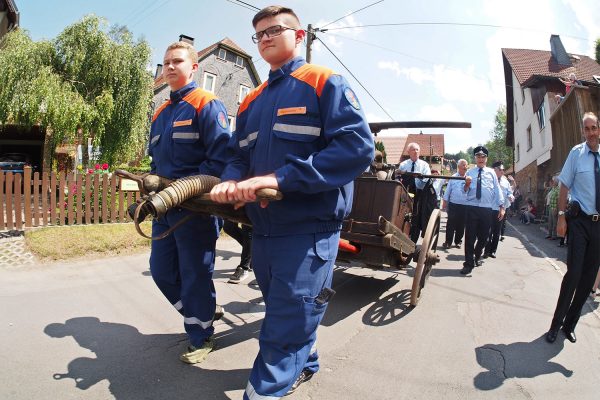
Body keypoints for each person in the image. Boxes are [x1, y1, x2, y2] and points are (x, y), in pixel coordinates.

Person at [209, 5, 374, 398]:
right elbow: (236, 155)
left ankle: (264, 391)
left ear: (299, 37)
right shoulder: (251, 102)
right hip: (263, 230)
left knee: (284, 326)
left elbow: (357, 147)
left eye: (274, 30)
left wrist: (280, 178)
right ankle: (309, 358)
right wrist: (231, 181)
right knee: (287, 309)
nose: (265, 37)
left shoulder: (324, 82)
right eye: (259, 33)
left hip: (308, 229)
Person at [148, 41, 231, 364]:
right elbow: (156, 164)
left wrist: (186, 190)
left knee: (195, 274)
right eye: (166, 62)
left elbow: (220, 160)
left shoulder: (207, 104)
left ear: (194, 67)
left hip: (196, 211)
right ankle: (206, 311)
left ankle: (201, 337)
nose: (170, 67)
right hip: (165, 208)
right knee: (161, 272)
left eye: (177, 61)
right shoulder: (161, 112)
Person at [546, 111, 600, 344]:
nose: (590, 132)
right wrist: (561, 217)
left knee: (588, 280)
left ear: (599, 128)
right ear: (582, 131)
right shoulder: (576, 154)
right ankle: (555, 325)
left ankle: (570, 325)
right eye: (586, 129)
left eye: (594, 127)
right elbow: (565, 186)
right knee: (574, 274)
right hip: (579, 222)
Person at [460, 146, 505, 275]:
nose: (480, 159)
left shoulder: (491, 172)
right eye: (478, 156)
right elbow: (464, 191)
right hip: (472, 207)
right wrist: (467, 184)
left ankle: (476, 255)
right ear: (475, 158)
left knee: (484, 237)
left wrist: (502, 207)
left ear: (486, 158)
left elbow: (497, 190)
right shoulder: (470, 173)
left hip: (487, 209)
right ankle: (468, 264)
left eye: (483, 156)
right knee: (469, 237)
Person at [397, 142, 431, 242]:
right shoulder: (403, 165)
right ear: (408, 152)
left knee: (416, 217)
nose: (415, 151)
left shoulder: (424, 165)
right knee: (403, 215)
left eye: (417, 150)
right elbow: (398, 178)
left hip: (419, 195)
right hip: (405, 194)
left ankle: (413, 241)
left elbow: (427, 179)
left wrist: (417, 178)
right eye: (413, 149)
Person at [483, 161, 512, 258]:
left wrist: (511, 196)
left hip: (500, 210)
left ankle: (493, 251)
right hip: (489, 209)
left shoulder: (505, 182)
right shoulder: (488, 180)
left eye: (503, 170)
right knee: (487, 231)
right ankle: (486, 250)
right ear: (494, 170)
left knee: (496, 232)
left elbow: (509, 192)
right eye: (501, 170)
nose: (503, 172)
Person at [441, 159, 468, 249]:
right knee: (451, 224)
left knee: (461, 224)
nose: (465, 167)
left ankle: (458, 241)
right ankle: (448, 242)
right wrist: (444, 202)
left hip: (464, 206)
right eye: (463, 165)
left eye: (466, 165)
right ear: (459, 167)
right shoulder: (453, 177)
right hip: (453, 204)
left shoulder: (469, 178)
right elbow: (448, 191)